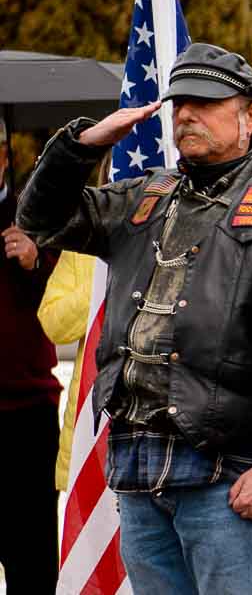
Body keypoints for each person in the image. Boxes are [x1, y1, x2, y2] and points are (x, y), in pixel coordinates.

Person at [16, 42, 252, 594]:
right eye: (180, 104)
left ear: (251, 117)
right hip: (137, 468)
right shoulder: (146, 197)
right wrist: (79, 146)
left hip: (228, 479)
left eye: (205, 103)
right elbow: (39, 218)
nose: (185, 116)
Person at [0, 132, 61, 595]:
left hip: (24, 414)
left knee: (31, 558)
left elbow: (70, 306)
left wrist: (33, 260)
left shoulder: (37, 215)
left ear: (4, 158)